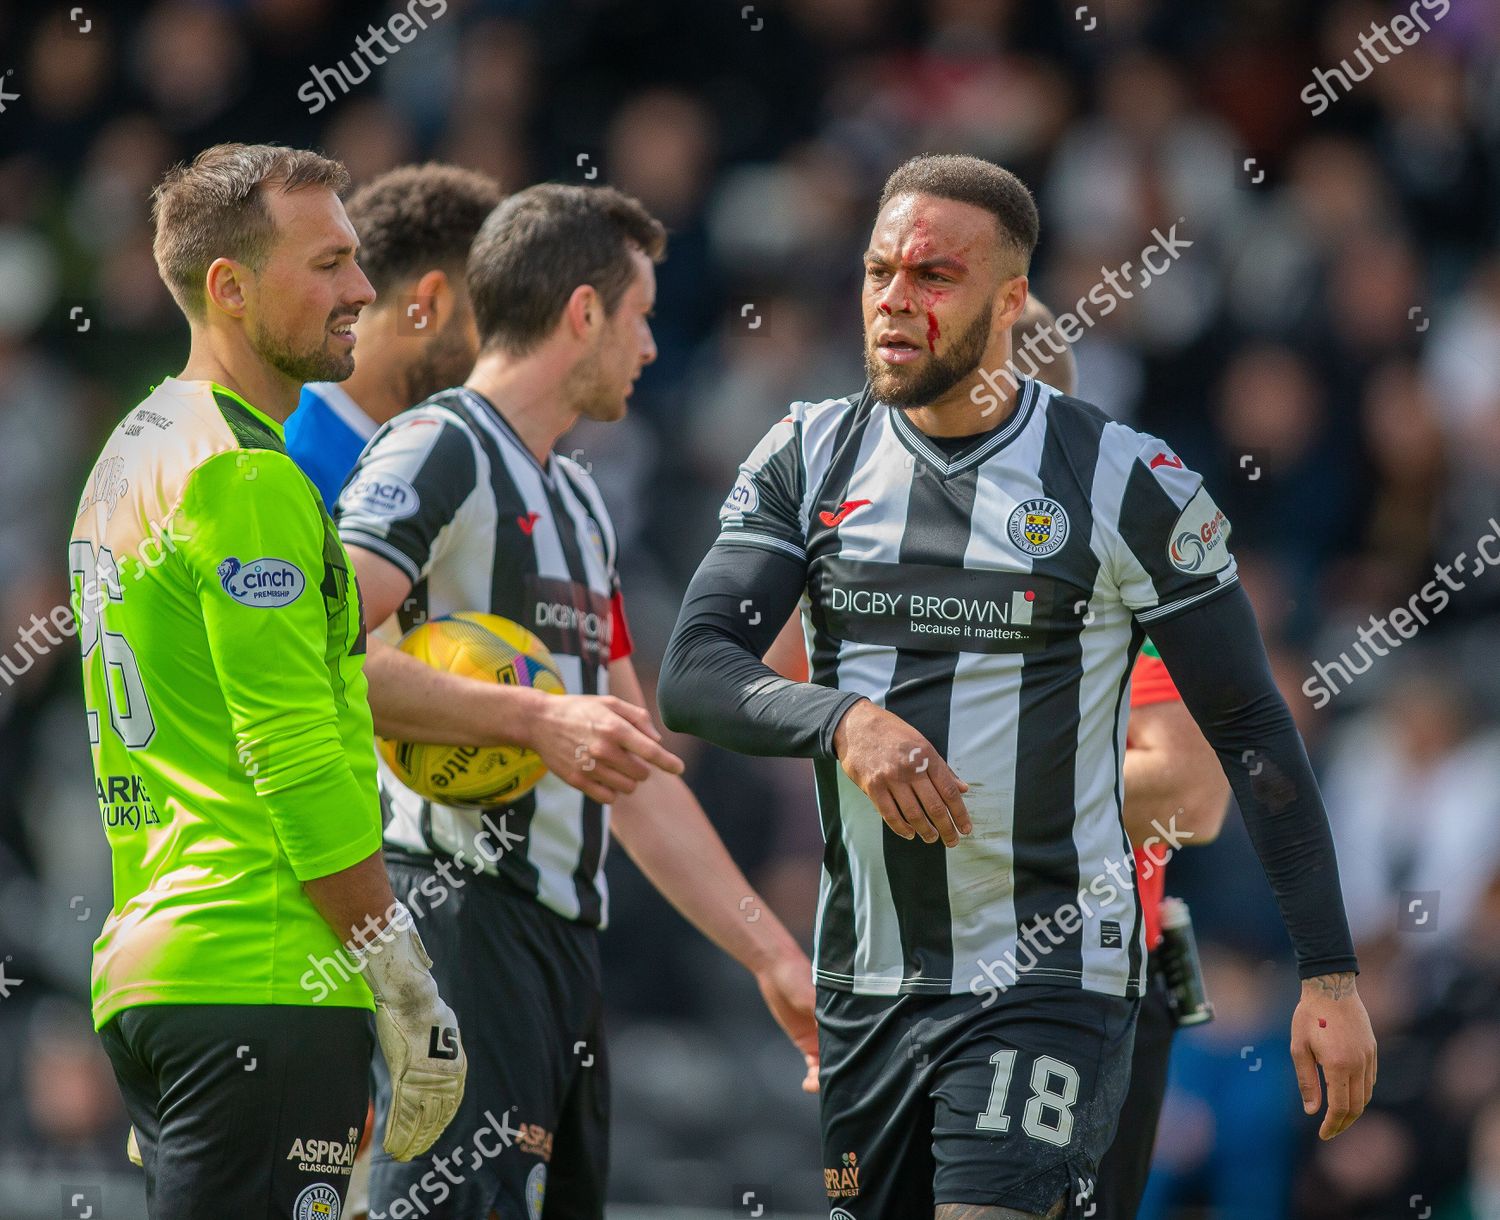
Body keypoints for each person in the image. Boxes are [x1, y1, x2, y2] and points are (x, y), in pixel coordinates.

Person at [658, 153, 1376, 1219]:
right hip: (868, 982)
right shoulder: (807, 454)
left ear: (1008, 303)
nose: (895, 299)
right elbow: (694, 672)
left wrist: (1328, 971)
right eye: (878, 272)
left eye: (932, 276)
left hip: (1049, 978)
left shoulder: (1126, 479)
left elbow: (1249, 726)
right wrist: (844, 719)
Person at [335, 183, 820, 1219]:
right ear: (585, 313)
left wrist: (773, 955)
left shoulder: (581, 500)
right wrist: (537, 719)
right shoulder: (439, 446)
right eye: (641, 316)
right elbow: (319, 655)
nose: (651, 347)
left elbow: (634, 767)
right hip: (456, 918)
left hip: (563, 943)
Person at [69, 143, 466, 1219]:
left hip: (160, 967)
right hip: (263, 964)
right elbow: (288, 748)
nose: (363, 289)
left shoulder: (133, 447)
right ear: (229, 288)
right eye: (329, 263)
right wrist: (402, 978)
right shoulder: (246, 474)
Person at [285, 162, 502, 508]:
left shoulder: (453, 461)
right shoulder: (284, 465)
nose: (506, 351)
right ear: (427, 307)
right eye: (494, 318)